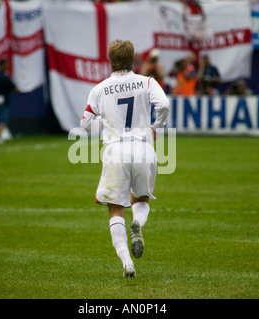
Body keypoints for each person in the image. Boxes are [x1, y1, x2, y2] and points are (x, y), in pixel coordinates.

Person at [79, 40, 170, 278]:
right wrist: (156, 127)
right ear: (132, 60)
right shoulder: (147, 82)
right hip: (143, 148)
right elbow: (164, 104)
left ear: (110, 60)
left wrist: (106, 122)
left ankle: (127, 263)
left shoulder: (100, 88)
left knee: (115, 209)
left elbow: (85, 124)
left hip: (115, 150)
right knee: (141, 198)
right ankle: (138, 223)